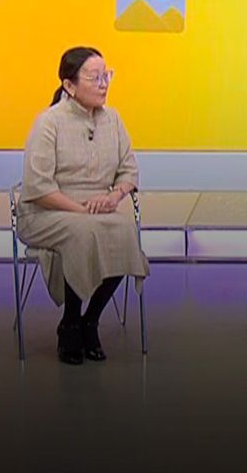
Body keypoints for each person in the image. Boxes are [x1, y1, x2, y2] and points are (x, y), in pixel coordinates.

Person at [16, 46, 149, 365]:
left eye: (107, 76)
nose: (104, 84)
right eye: (95, 78)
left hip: (97, 211)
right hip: (47, 212)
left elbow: (129, 170)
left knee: (124, 230)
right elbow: (38, 187)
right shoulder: (49, 122)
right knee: (84, 231)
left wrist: (114, 196)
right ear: (69, 85)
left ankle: (90, 320)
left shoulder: (112, 119)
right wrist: (83, 210)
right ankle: (71, 324)